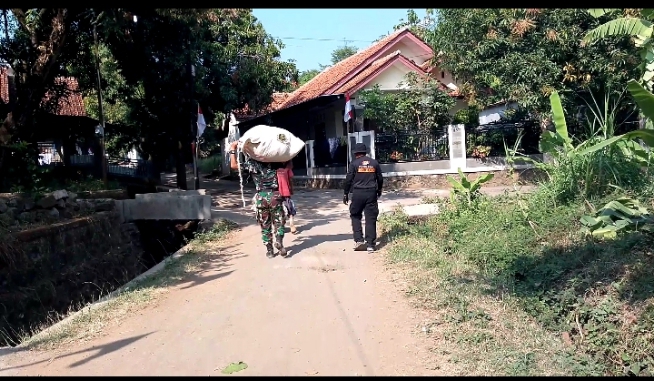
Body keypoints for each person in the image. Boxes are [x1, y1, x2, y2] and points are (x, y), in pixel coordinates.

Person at [229, 141, 288, 258]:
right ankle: (279, 241)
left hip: (261, 197)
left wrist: (232, 148)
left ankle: (270, 251)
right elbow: (287, 159)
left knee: (265, 225)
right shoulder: (275, 162)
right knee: (279, 221)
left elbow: (234, 166)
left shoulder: (252, 164)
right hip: (275, 196)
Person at [343, 142, 384, 253]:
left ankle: (359, 241)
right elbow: (380, 178)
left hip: (357, 193)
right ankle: (370, 245)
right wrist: (379, 190)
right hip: (371, 193)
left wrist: (345, 193)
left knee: (355, 215)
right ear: (365, 152)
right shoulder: (374, 163)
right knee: (371, 218)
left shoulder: (354, 164)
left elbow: (348, 179)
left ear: (356, 153)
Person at [276, 160, 298, 234]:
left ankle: (291, 225)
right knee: (283, 210)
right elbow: (290, 180)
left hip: (284, 193)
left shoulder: (286, 169)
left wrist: (291, 190)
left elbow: (290, 180)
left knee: (288, 209)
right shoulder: (276, 169)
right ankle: (286, 226)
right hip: (278, 193)